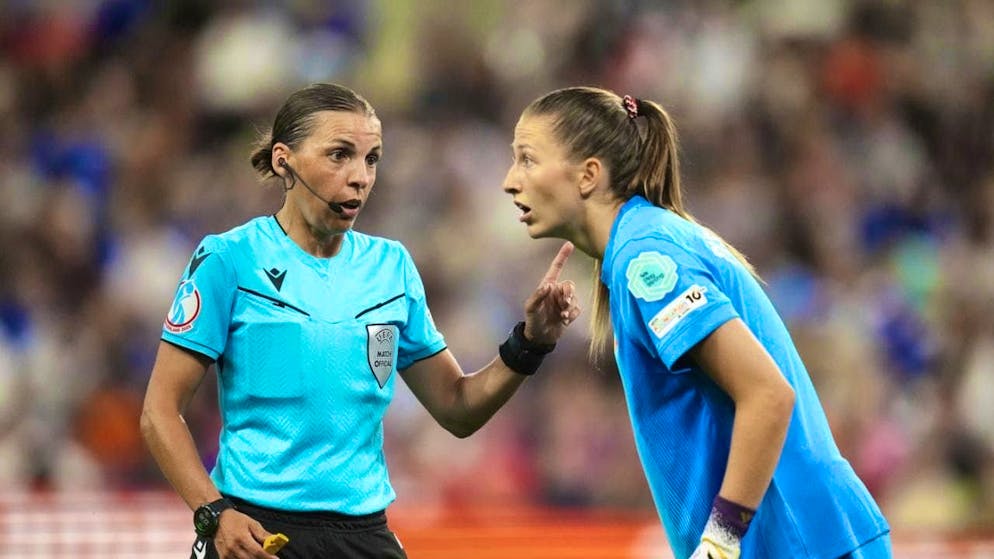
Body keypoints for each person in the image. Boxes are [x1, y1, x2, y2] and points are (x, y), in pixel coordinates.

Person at [140, 82, 581, 559]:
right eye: (339, 155)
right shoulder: (229, 259)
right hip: (254, 531)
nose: (360, 177)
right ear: (284, 161)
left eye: (371, 159)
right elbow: (159, 412)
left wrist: (530, 343)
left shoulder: (391, 267)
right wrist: (213, 513)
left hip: (362, 535)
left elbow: (457, 408)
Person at [502, 86, 891, 559]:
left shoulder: (646, 258)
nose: (510, 181)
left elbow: (768, 395)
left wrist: (721, 539)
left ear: (588, 175)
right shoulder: (647, 240)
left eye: (527, 159)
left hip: (794, 541)